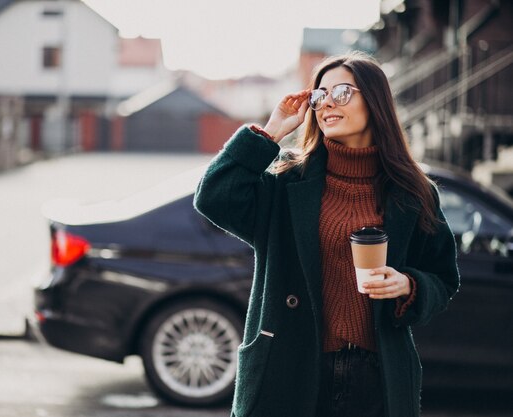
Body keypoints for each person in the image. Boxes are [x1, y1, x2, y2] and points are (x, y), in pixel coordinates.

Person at [193, 51, 460, 417]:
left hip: (377, 378)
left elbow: (443, 278)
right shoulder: (288, 182)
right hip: (291, 368)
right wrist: (270, 132)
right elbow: (214, 197)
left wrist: (409, 286)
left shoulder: (413, 192)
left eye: (343, 93)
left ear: (375, 101)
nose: (327, 103)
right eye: (319, 96)